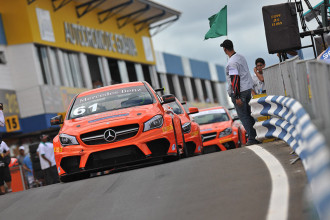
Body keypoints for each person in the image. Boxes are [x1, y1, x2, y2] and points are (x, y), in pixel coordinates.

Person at [220, 39, 259, 145]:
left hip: (239, 91)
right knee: (250, 114)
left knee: (244, 116)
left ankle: (252, 138)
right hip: (247, 89)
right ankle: (256, 135)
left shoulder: (231, 63)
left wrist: (236, 96)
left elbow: (235, 79)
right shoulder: (241, 57)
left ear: (225, 49)